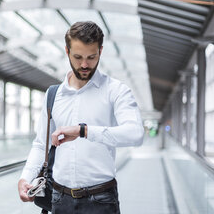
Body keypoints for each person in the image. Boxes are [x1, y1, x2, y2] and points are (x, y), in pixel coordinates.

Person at [18, 21, 144, 214]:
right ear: (67, 51)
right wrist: (25, 178)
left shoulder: (116, 91)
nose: (84, 65)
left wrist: (83, 131)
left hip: (101, 200)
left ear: (100, 51)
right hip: (59, 199)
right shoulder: (53, 94)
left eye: (91, 57)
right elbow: (40, 144)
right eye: (78, 57)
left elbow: (135, 133)